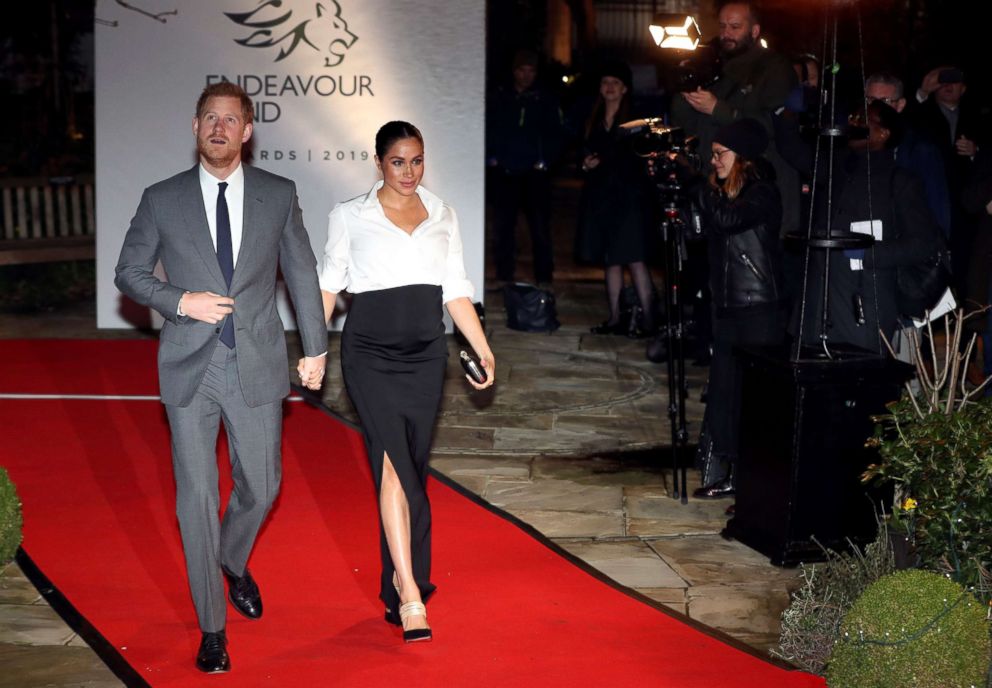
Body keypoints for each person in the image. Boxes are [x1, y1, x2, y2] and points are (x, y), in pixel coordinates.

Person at [114, 82, 327, 673]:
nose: (219, 128)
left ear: (247, 131)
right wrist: (182, 301)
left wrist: (315, 349)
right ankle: (212, 627)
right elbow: (129, 272)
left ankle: (231, 561)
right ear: (195, 126)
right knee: (197, 499)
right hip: (190, 367)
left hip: (255, 362)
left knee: (262, 486)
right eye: (210, 118)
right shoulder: (163, 199)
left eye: (230, 120)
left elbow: (303, 274)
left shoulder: (278, 195)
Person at [318, 121, 495, 643]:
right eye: (398, 161)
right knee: (394, 467)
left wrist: (481, 347)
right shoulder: (350, 215)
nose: (409, 172)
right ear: (379, 162)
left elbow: (456, 288)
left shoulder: (442, 214)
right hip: (368, 356)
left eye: (417, 160)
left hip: (424, 357)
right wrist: (313, 349)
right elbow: (329, 284)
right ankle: (411, 593)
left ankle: (397, 572)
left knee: (412, 467)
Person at [688, 119, 786, 500]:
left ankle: (753, 479)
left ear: (742, 156)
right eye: (711, 155)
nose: (713, 161)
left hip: (759, 307)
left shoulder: (763, 192)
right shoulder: (723, 193)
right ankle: (729, 471)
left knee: (753, 398)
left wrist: (699, 184)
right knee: (725, 393)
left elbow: (728, 221)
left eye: (719, 154)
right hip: (727, 306)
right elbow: (699, 232)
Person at [798, 101, 938, 352]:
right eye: (853, 116)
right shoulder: (836, 171)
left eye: (863, 119)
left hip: (866, 303)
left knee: (859, 381)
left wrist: (868, 253)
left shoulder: (899, 181)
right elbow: (793, 149)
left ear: (883, 133)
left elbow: (923, 244)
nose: (853, 123)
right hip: (819, 302)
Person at [670, 0, 799, 237]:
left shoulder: (774, 67)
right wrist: (685, 83)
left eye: (735, 26)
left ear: (754, 30)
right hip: (716, 186)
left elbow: (774, 126)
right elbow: (686, 122)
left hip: (754, 193)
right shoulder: (712, 64)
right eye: (722, 26)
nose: (726, 33)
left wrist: (717, 108)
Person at [576, 60, 656, 336]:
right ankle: (614, 319)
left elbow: (637, 158)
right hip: (601, 197)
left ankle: (648, 322)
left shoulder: (634, 119)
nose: (609, 88)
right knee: (610, 259)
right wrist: (585, 163)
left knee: (634, 258)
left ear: (624, 89)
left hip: (629, 197)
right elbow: (581, 149)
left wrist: (605, 161)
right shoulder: (593, 118)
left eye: (615, 83)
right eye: (605, 83)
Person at [486, 49, 565, 287]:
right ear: (514, 71)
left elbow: (557, 134)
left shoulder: (545, 98)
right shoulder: (500, 96)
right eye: (522, 69)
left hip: (535, 173)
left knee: (539, 227)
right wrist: (492, 157)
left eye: (531, 70)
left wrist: (546, 161)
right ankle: (504, 275)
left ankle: (544, 276)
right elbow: (488, 127)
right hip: (505, 172)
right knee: (504, 227)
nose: (526, 75)